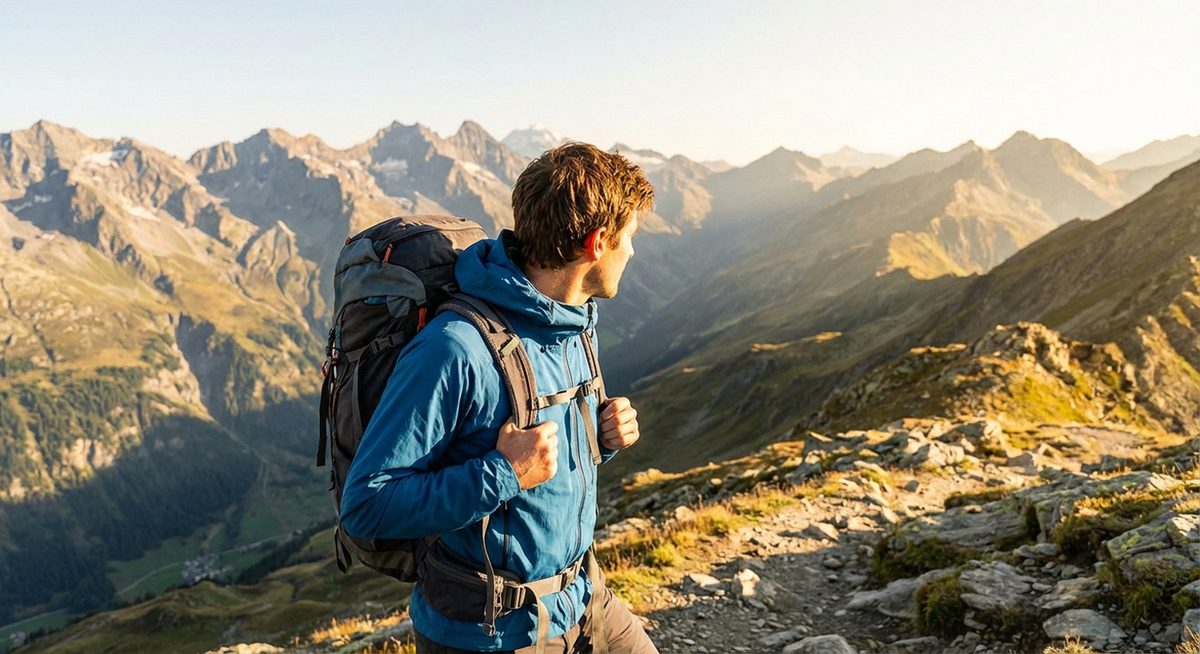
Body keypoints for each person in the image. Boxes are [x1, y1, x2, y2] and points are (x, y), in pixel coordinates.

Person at [339, 142, 659, 653]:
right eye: (630, 238)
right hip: (489, 633)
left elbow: (547, 456)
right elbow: (367, 505)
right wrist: (504, 474)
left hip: (583, 597)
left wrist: (601, 437)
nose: (634, 252)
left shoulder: (576, 323)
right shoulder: (454, 349)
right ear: (598, 242)